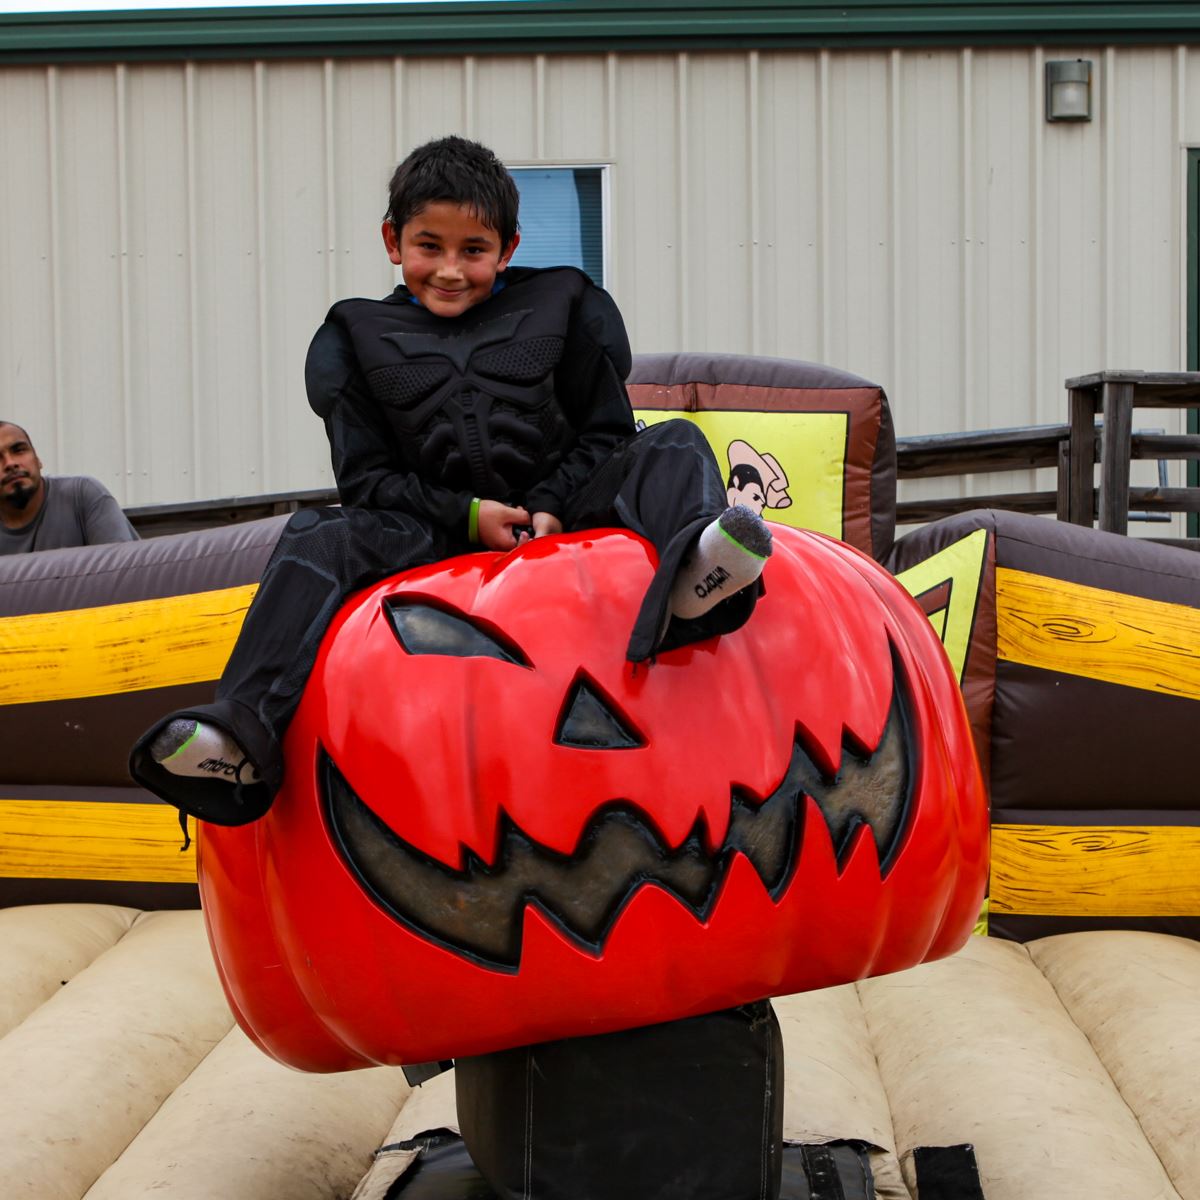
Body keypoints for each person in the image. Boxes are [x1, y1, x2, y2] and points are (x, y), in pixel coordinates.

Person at [129, 135, 772, 826]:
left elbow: (608, 435)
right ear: (392, 240)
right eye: (429, 246)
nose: (450, 270)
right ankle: (243, 728)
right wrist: (468, 516)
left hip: (569, 507)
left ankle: (696, 573)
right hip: (434, 530)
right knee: (318, 531)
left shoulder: (568, 304)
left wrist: (552, 503)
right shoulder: (352, 337)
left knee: (673, 440)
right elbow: (368, 479)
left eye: (474, 251)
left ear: (508, 247)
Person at [0, 421, 138, 555]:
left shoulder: (82, 495)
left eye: (19, 450)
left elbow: (122, 572)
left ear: (38, 460)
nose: (10, 463)